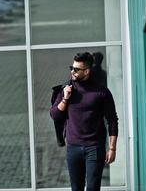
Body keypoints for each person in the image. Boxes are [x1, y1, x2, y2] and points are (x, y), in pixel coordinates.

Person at [49, 52, 118, 191]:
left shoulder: (102, 92)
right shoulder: (67, 89)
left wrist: (112, 148)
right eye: (71, 68)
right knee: (76, 188)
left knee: (92, 188)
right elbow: (55, 115)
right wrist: (65, 98)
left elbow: (112, 120)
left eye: (76, 69)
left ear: (87, 71)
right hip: (73, 148)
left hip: (95, 147)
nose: (72, 72)